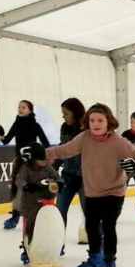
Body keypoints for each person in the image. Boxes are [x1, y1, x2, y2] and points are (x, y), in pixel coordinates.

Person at [46, 103, 135, 267]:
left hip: (114, 191)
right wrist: (44, 153)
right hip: (92, 191)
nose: (96, 124)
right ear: (87, 122)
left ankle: (109, 263)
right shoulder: (84, 138)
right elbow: (65, 149)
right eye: (92, 120)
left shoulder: (117, 141)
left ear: (108, 121)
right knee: (91, 226)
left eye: (100, 120)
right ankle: (96, 258)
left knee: (108, 226)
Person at [0, 100, 50, 230]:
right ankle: (15, 216)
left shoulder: (35, 125)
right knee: (17, 188)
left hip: (32, 162)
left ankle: (37, 214)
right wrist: (1, 134)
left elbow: (45, 143)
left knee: (33, 188)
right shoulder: (17, 124)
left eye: (24, 107)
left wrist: (42, 158)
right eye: (19, 107)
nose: (20, 109)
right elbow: (6, 141)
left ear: (30, 110)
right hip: (19, 161)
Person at [16, 143, 61, 265]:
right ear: (33, 159)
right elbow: (19, 180)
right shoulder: (26, 168)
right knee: (29, 226)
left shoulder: (47, 167)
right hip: (30, 203)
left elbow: (57, 178)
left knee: (46, 226)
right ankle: (26, 248)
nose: (43, 163)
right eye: (40, 160)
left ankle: (48, 246)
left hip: (46, 202)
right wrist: (27, 186)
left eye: (44, 160)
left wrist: (58, 183)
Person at [54, 98, 86, 236]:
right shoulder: (64, 127)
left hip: (86, 178)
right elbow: (63, 149)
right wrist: (54, 166)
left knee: (90, 214)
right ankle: (57, 245)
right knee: (59, 211)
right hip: (68, 176)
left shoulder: (87, 128)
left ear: (75, 112)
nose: (63, 116)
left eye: (66, 113)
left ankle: (98, 250)